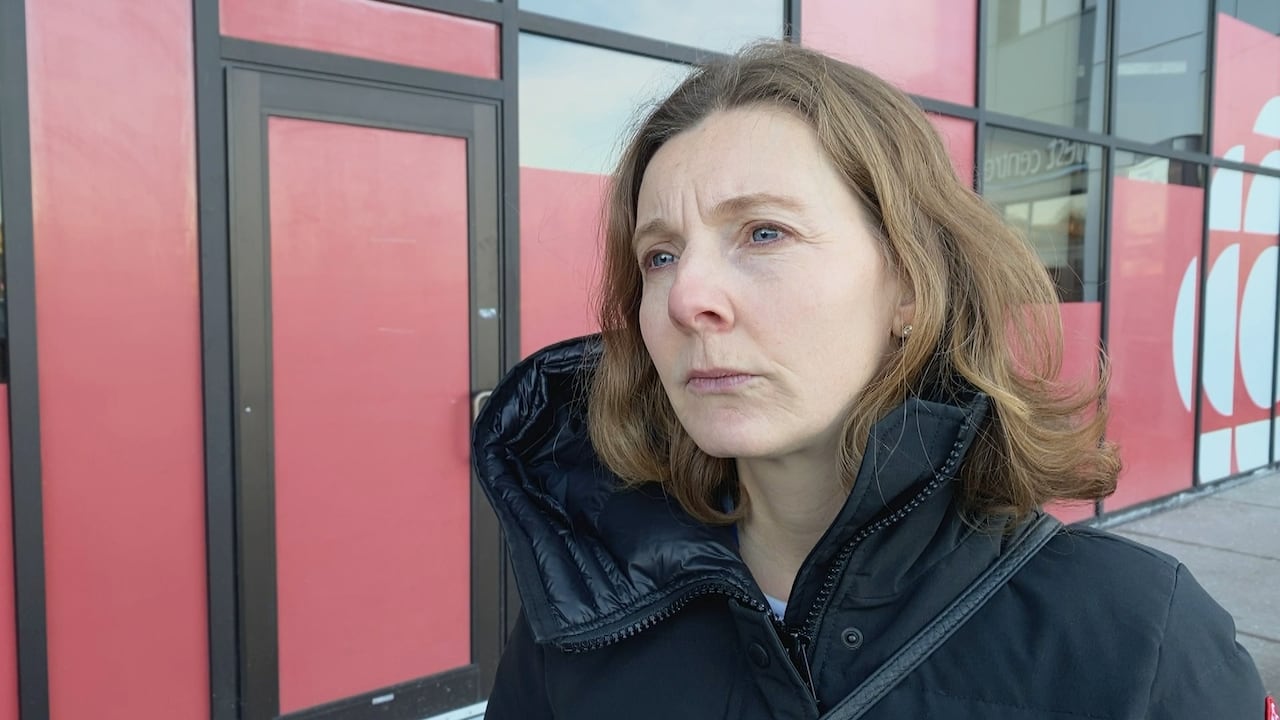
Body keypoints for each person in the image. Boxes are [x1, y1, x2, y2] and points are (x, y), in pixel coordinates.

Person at [473, 41, 1265, 719]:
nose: (686, 299)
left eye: (764, 232)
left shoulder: (1135, 640)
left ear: (911, 288)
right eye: (661, 255)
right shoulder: (589, 611)